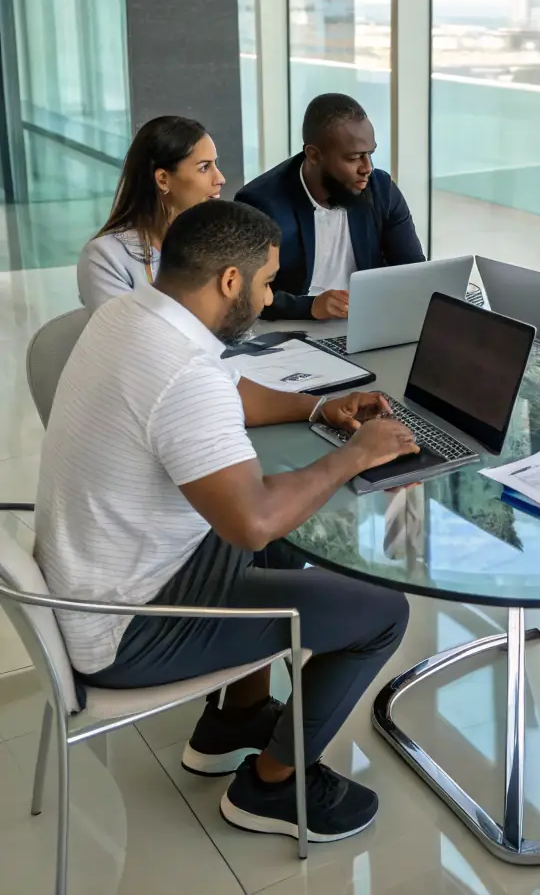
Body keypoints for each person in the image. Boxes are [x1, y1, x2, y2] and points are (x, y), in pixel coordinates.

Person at [36, 199, 421, 842]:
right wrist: (357, 454)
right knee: (381, 612)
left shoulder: (128, 315)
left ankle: (233, 722)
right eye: (268, 282)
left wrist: (318, 409)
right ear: (230, 282)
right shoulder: (184, 375)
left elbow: (229, 394)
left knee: (282, 546)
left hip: (93, 580)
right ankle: (273, 787)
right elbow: (254, 520)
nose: (272, 300)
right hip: (129, 630)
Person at [236, 93, 424, 321]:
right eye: (354, 157)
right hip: (292, 327)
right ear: (314, 155)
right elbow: (243, 295)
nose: (367, 168)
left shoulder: (380, 190)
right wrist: (310, 307)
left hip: (366, 321)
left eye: (370, 154)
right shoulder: (262, 204)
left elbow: (413, 271)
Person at [77, 115, 226, 314]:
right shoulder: (105, 257)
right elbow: (126, 338)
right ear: (163, 179)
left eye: (215, 165)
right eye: (204, 167)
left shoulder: (218, 243)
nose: (220, 179)